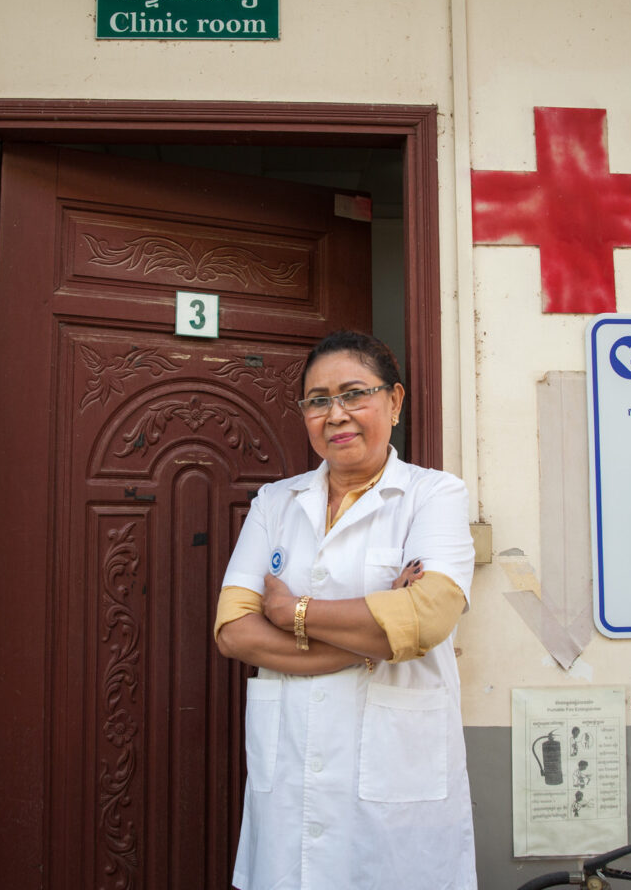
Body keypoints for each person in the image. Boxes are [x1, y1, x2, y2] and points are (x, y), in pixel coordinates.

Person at [213, 330, 477, 890]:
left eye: (355, 394)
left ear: (395, 402)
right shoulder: (275, 502)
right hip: (290, 785)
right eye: (317, 400)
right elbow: (234, 631)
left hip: (395, 790)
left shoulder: (434, 496)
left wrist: (292, 612)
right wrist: (371, 641)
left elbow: (428, 618)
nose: (337, 415)